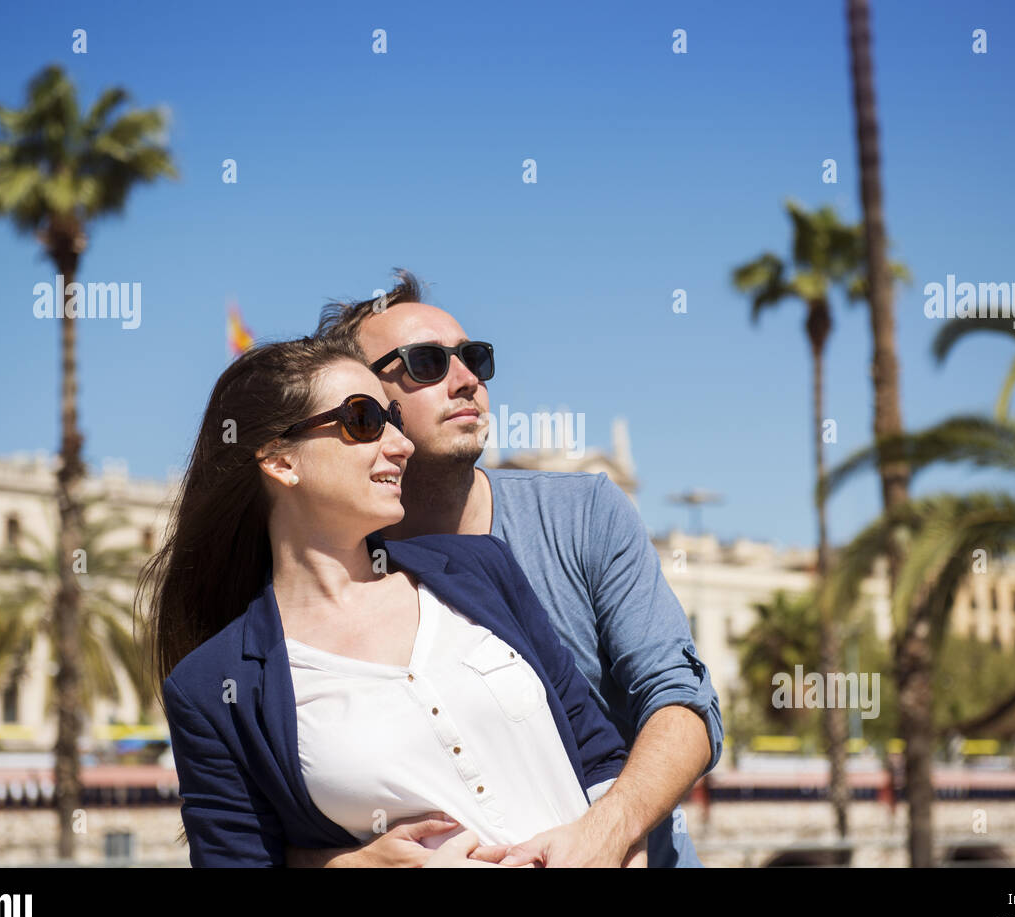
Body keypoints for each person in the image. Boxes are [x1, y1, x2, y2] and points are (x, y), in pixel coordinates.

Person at [143, 336, 634, 867]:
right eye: (365, 420)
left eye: (394, 418)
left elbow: (599, 759)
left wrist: (615, 849)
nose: (401, 444)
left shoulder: (480, 570)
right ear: (281, 461)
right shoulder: (213, 688)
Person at [302, 270, 723, 868]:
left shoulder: (584, 514)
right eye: (425, 362)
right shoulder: (331, 575)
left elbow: (683, 701)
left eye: (474, 358)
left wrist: (609, 831)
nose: (467, 378)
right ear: (359, 408)